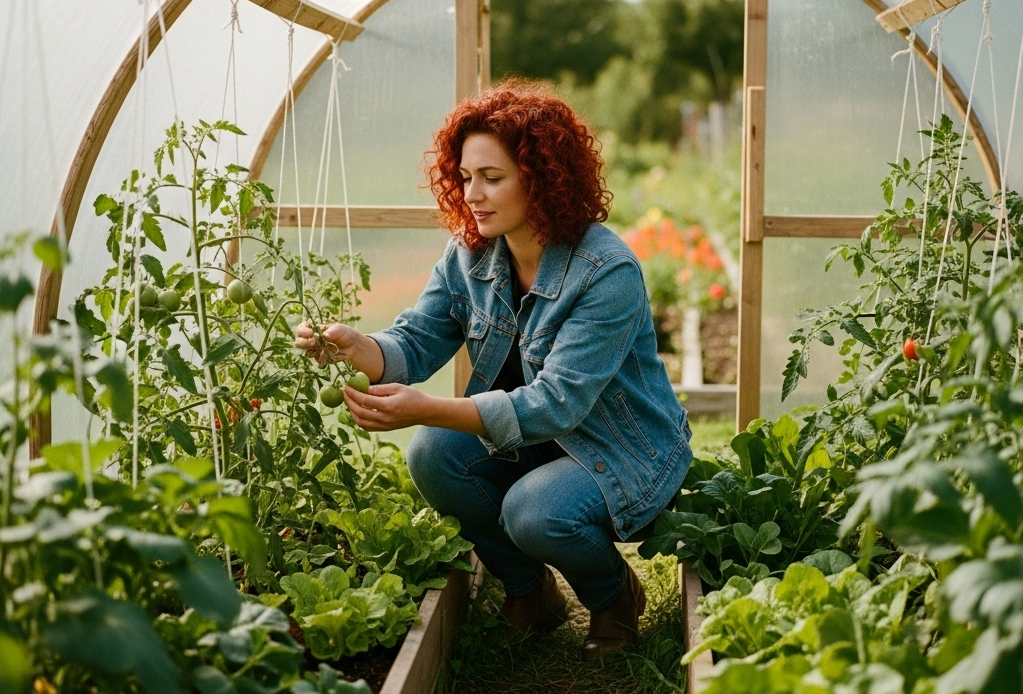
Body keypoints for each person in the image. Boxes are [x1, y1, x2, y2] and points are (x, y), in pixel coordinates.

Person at [294, 80, 693, 659]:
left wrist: (426, 407)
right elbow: (419, 337)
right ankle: (531, 593)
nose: (472, 193)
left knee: (533, 511)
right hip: (534, 440)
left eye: (492, 177)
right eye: (464, 176)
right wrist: (358, 347)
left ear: (542, 176)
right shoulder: (472, 252)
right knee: (433, 454)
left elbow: (558, 403)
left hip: (620, 448)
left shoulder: (606, 271)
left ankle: (613, 597)